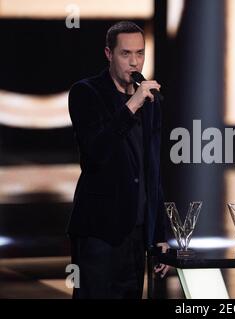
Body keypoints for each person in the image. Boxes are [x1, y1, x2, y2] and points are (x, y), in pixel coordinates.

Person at [67, 21, 170, 299]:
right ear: (108, 54)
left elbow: (152, 169)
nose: (135, 62)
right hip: (99, 231)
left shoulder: (150, 101)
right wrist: (132, 104)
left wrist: (159, 233)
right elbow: (95, 153)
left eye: (140, 53)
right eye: (126, 54)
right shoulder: (86, 93)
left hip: (137, 234)